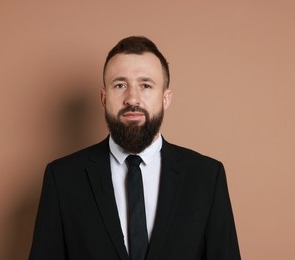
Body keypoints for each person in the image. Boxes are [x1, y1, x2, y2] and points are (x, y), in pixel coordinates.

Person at [29, 36, 241, 260]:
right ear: (103, 97)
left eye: (146, 85)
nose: (132, 98)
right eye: (120, 85)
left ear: (165, 98)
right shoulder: (62, 178)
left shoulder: (206, 176)